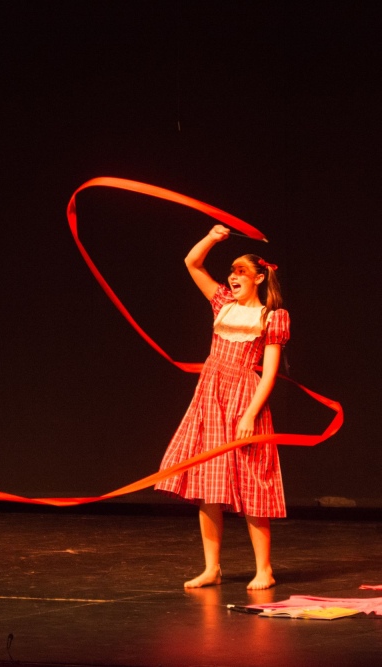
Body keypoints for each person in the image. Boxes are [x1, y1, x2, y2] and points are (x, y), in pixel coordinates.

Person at [154, 225, 289, 591]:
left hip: (244, 397)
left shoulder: (271, 316)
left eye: (241, 273)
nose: (233, 277)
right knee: (209, 482)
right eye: (231, 272)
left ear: (259, 278)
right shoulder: (221, 304)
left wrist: (249, 415)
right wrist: (213, 238)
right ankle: (211, 567)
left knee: (252, 482)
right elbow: (192, 263)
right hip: (211, 393)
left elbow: (270, 374)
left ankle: (264, 569)